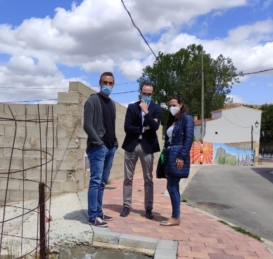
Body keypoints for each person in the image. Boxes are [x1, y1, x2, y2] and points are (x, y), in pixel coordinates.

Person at [120, 82, 162, 219]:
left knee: (148, 179)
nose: (147, 96)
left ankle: (148, 208)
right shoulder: (132, 107)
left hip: (147, 146)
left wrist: (146, 111)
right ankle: (126, 205)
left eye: (149, 94)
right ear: (140, 92)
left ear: (152, 94)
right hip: (131, 145)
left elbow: (155, 126)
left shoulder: (156, 109)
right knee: (128, 178)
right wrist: (144, 129)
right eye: (144, 93)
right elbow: (127, 127)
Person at [83, 71, 118, 227]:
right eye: (105, 82)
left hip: (110, 148)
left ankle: (99, 212)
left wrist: (114, 143)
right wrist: (99, 143)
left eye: (110, 83)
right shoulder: (92, 101)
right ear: (100, 82)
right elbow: (87, 125)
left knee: (102, 182)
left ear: (113, 84)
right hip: (98, 148)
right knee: (95, 181)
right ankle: (92, 216)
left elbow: (111, 126)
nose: (107, 86)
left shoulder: (112, 104)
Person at [161, 95, 194, 226]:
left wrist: (182, 156)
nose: (171, 107)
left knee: (172, 186)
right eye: (169, 105)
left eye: (174, 105)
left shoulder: (186, 118)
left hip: (178, 154)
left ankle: (175, 217)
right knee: (173, 186)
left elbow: (189, 138)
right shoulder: (173, 119)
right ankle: (176, 216)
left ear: (181, 104)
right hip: (170, 154)